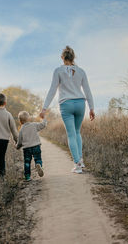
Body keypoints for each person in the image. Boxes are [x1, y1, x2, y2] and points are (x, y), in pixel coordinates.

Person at [40, 46, 95, 174]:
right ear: (73, 57)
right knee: (77, 132)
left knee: (71, 134)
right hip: (81, 103)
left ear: (62, 58)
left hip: (66, 104)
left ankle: (77, 164)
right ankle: (80, 159)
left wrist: (44, 108)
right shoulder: (81, 71)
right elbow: (87, 90)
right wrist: (91, 108)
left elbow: (52, 90)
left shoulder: (58, 71)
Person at [16, 111, 47, 181]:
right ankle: (38, 164)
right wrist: (44, 118)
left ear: (20, 121)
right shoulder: (34, 125)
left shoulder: (21, 129)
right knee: (38, 158)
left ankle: (27, 177)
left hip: (26, 148)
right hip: (36, 146)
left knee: (27, 162)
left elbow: (20, 141)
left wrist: (17, 146)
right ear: (29, 119)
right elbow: (43, 125)